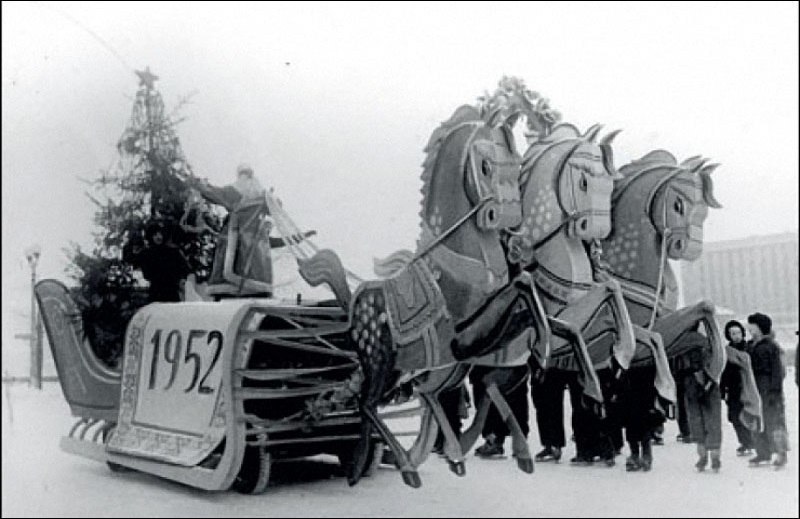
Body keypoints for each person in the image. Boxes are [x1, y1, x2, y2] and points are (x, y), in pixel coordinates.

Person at [194, 163, 314, 297]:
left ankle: (234, 287)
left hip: (236, 246)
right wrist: (300, 237)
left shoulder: (235, 191)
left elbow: (213, 193)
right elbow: (277, 208)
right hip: (257, 268)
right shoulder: (260, 203)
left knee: (230, 269)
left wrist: (198, 184)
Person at [747, 313, 788, 468]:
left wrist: (775, 390)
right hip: (754, 387)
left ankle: (780, 453)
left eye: (752, 325)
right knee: (757, 420)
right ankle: (762, 453)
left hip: (768, 388)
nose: (749, 327)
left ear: (759, 327)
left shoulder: (771, 346)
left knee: (774, 422)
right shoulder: (750, 345)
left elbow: (778, 371)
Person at [679, 326, 723, 472]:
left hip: (698, 386)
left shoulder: (683, 344)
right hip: (703, 385)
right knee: (710, 422)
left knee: (699, 421)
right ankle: (713, 458)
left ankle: (705, 458)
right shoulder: (706, 342)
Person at [469, 365, 530, 458]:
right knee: (516, 392)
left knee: (483, 385)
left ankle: (494, 438)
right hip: (516, 359)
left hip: (489, 359)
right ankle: (519, 440)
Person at [719, 320, 755, 456]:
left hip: (747, 387)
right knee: (734, 417)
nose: (736, 336)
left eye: (738, 332)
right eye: (733, 333)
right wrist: (723, 390)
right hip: (733, 389)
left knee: (747, 415)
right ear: (728, 335)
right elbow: (723, 372)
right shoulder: (727, 352)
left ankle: (749, 442)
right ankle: (744, 441)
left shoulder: (749, 348)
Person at [135, 222, 191, 303]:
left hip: (172, 292)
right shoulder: (146, 254)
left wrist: (181, 279)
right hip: (156, 292)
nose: (159, 237)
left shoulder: (173, 252)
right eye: (155, 235)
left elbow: (185, 268)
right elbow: (147, 275)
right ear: (150, 236)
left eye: (160, 234)